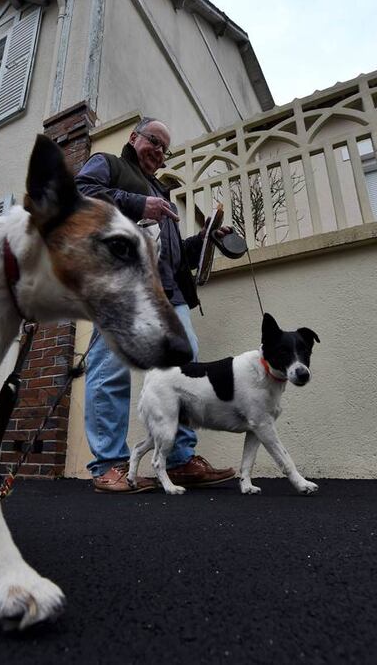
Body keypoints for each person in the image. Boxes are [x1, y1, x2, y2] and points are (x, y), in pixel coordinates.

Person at [75, 117, 236, 493]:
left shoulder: (161, 191)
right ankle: (108, 466)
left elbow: (175, 258)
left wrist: (205, 239)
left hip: (169, 294)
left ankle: (179, 461)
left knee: (183, 374)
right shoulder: (108, 165)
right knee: (111, 370)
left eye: (165, 149)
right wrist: (137, 203)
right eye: (154, 141)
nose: (160, 152)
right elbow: (81, 195)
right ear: (134, 138)